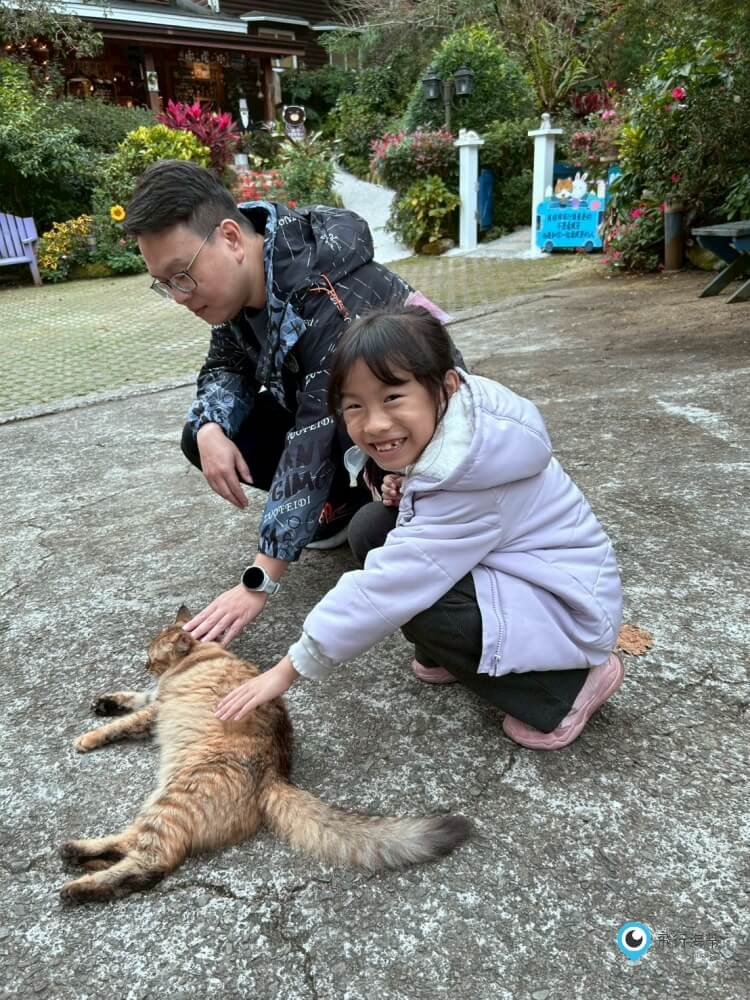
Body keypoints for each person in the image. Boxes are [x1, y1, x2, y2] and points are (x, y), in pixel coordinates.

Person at [214, 307, 625, 750]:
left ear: (443, 386)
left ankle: (567, 690)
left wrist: (288, 668)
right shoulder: (463, 416)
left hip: (569, 610)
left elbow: (386, 588)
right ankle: (450, 654)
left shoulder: (470, 478)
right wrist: (404, 483)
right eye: (354, 405)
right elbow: (432, 524)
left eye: (392, 398)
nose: (374, 423)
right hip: (527, 572)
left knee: (417, 599)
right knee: (373, 526)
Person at [124, 160, 455, 646]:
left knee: (380, 537)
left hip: (419, 450)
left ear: (232, 239)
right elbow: (226, 366)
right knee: (205, 432)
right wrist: (210, 427)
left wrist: (259, 576)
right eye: (165, 283)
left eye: (182, 276)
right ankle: (339, 508)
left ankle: (363, 506)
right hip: (348, 431)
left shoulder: (327, 297)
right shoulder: (242, 289)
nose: (179, 297)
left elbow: (313, 441)